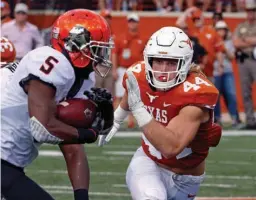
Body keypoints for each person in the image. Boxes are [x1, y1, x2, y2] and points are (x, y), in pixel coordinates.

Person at [1, 9, 114, 200]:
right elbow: (41, 127)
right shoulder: (51, 62)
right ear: (76, 45)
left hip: (9, 164)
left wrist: (81, 196)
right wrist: (86, 134)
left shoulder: (82, 79)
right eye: (96, 47)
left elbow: (73, 148)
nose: (101, 53)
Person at [99, 27, 222, 199]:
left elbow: (170, 147)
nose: (163, 70)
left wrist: (139, 111)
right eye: (158, 61)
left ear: (185, 63)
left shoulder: (195, 93)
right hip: (148, 162)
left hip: (186, 180)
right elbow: (132, 93)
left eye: (171, 62)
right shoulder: (139, 75)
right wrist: (117, 118)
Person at [213, 21, 243, 129]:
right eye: (219, 30)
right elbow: (211, 56)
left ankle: (235, 117)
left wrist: (223, 48)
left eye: (223, 30)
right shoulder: (212, 40)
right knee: (215, 97)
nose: (221, 32)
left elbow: (231, 57)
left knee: (231, 94)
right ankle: (217, 119)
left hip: (227, 71)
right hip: (215, 71)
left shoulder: (229, 42)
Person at [233, 0, 256, 130]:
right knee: (245, 91)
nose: (251, 13)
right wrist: (251, 41)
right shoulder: (241, 26)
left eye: (253, 10)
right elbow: (236, 43)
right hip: (244, 60)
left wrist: (245, 40)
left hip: (255, 59)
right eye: (249, 11)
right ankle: (250, 120)